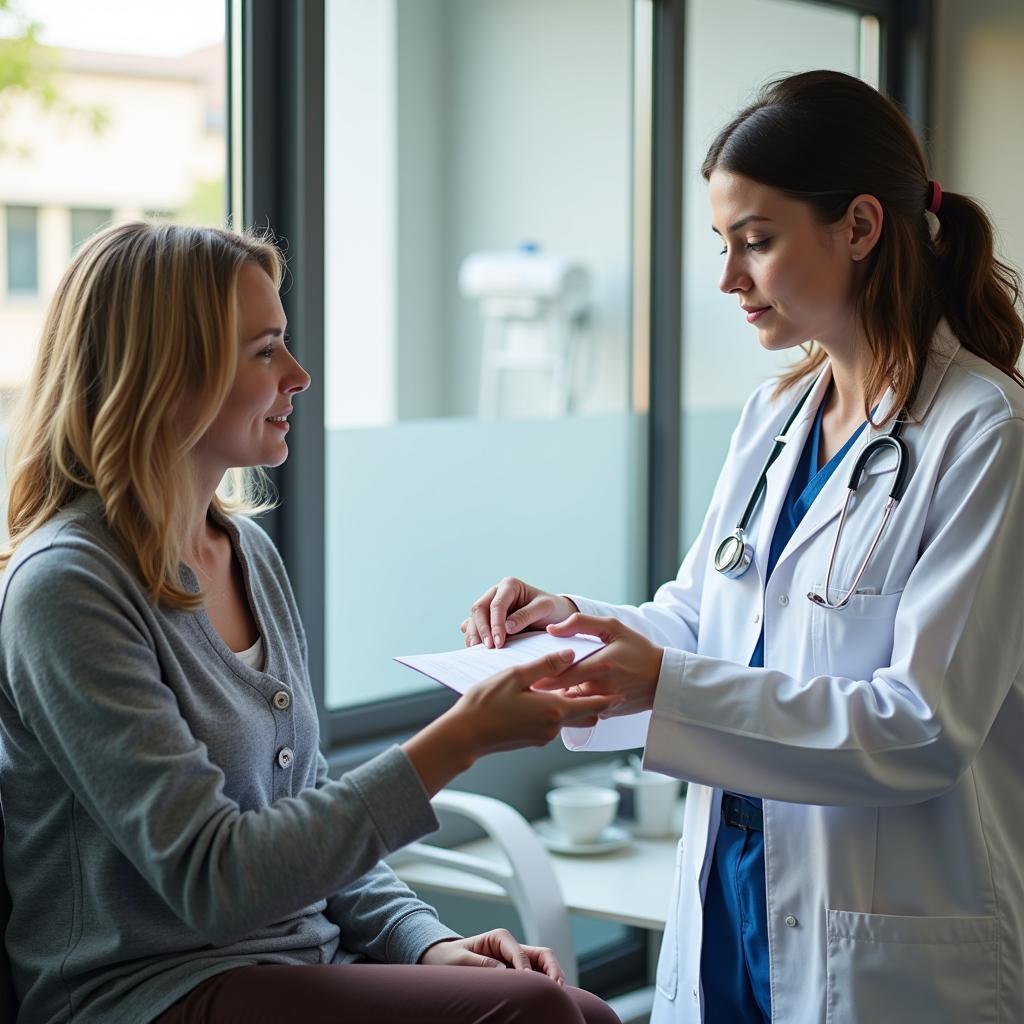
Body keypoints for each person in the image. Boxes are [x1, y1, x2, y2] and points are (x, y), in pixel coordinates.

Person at [464, 70, 1024, 1024]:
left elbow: (923, 725)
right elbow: (702, 614)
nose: (728, 279)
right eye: (723, 245)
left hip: (885, 946)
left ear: (858, 226)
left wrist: (666, 685)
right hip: (732, 901)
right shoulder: (775, 416)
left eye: (756, 243)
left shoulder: (984, 429)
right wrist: (581, 627)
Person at [0, 222, 622, 1024]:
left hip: (292, 962)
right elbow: (216, 880)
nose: (299, 375)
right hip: (143, 993)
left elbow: (307, 803)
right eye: (264, 351)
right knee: (530, 1013)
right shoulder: (68, 589)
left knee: (586, 1014)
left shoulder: (245, 553)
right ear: (165, 375)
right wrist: (459, 739)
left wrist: (422, 941)